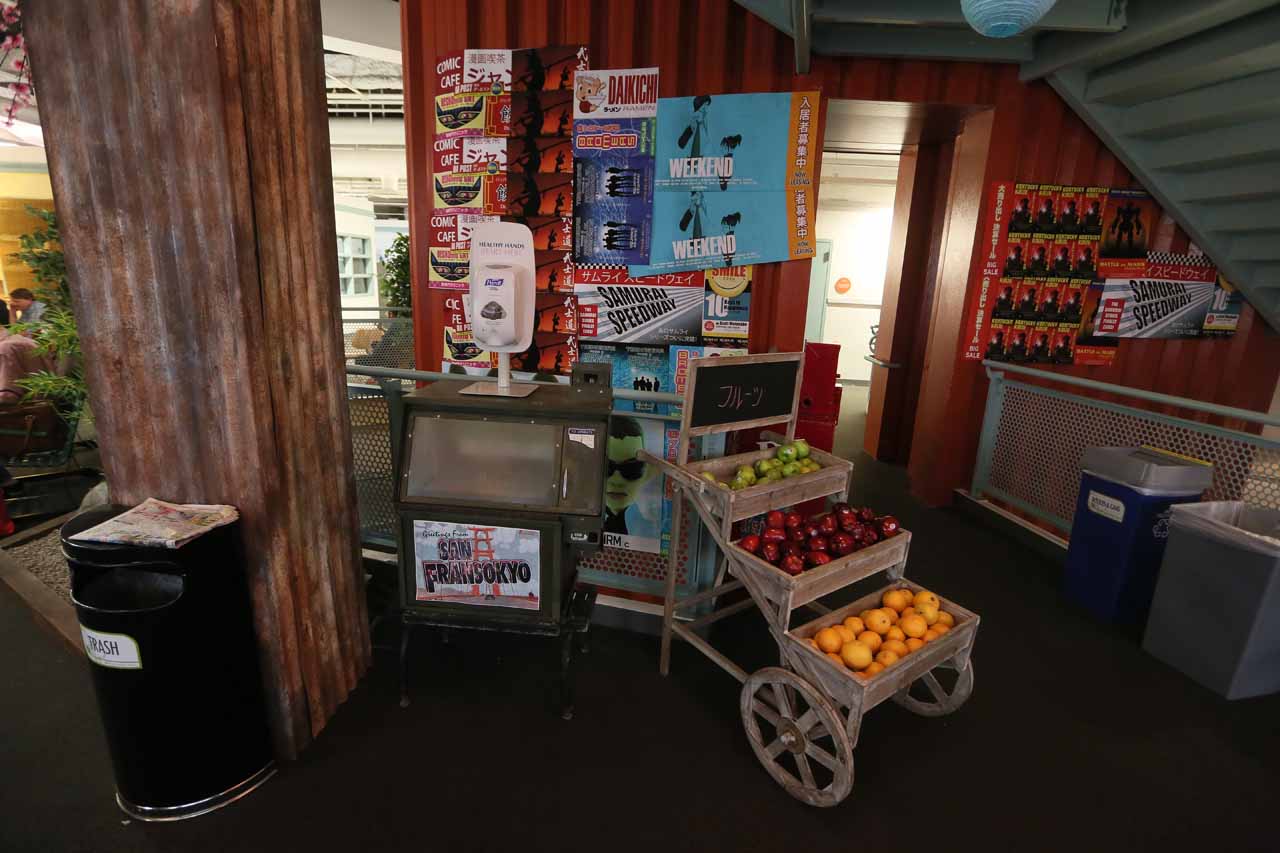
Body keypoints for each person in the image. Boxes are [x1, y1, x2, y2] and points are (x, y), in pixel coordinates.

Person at [603, 416, 657, 536]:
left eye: (631, 469)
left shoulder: (651, 528)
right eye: (605, 468)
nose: (617, 481)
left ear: (646, 473)